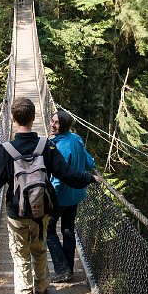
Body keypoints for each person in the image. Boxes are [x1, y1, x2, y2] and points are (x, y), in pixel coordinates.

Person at [0, 97, 100, 294]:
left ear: (11, 118)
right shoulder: (46, 145)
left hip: (16, 212)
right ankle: (41, 287)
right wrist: (89, 179)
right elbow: (67, 174)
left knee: (20, 254)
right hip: (42, 210)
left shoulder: (6, 150)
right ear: (34, 118)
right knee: (39, 248)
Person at [47, 110, 96, 283]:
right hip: (76, 195)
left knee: (47, 231)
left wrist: (50, 199)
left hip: (61, 197)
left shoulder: (58, 147)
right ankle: (69, 269)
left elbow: (58, 180)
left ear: (64, 126)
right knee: (67, 230)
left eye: (57, 123)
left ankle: (62, 270)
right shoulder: (76, 138)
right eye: (52, 121)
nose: (53, 125)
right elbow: (89, 162)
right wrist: (91, 169)